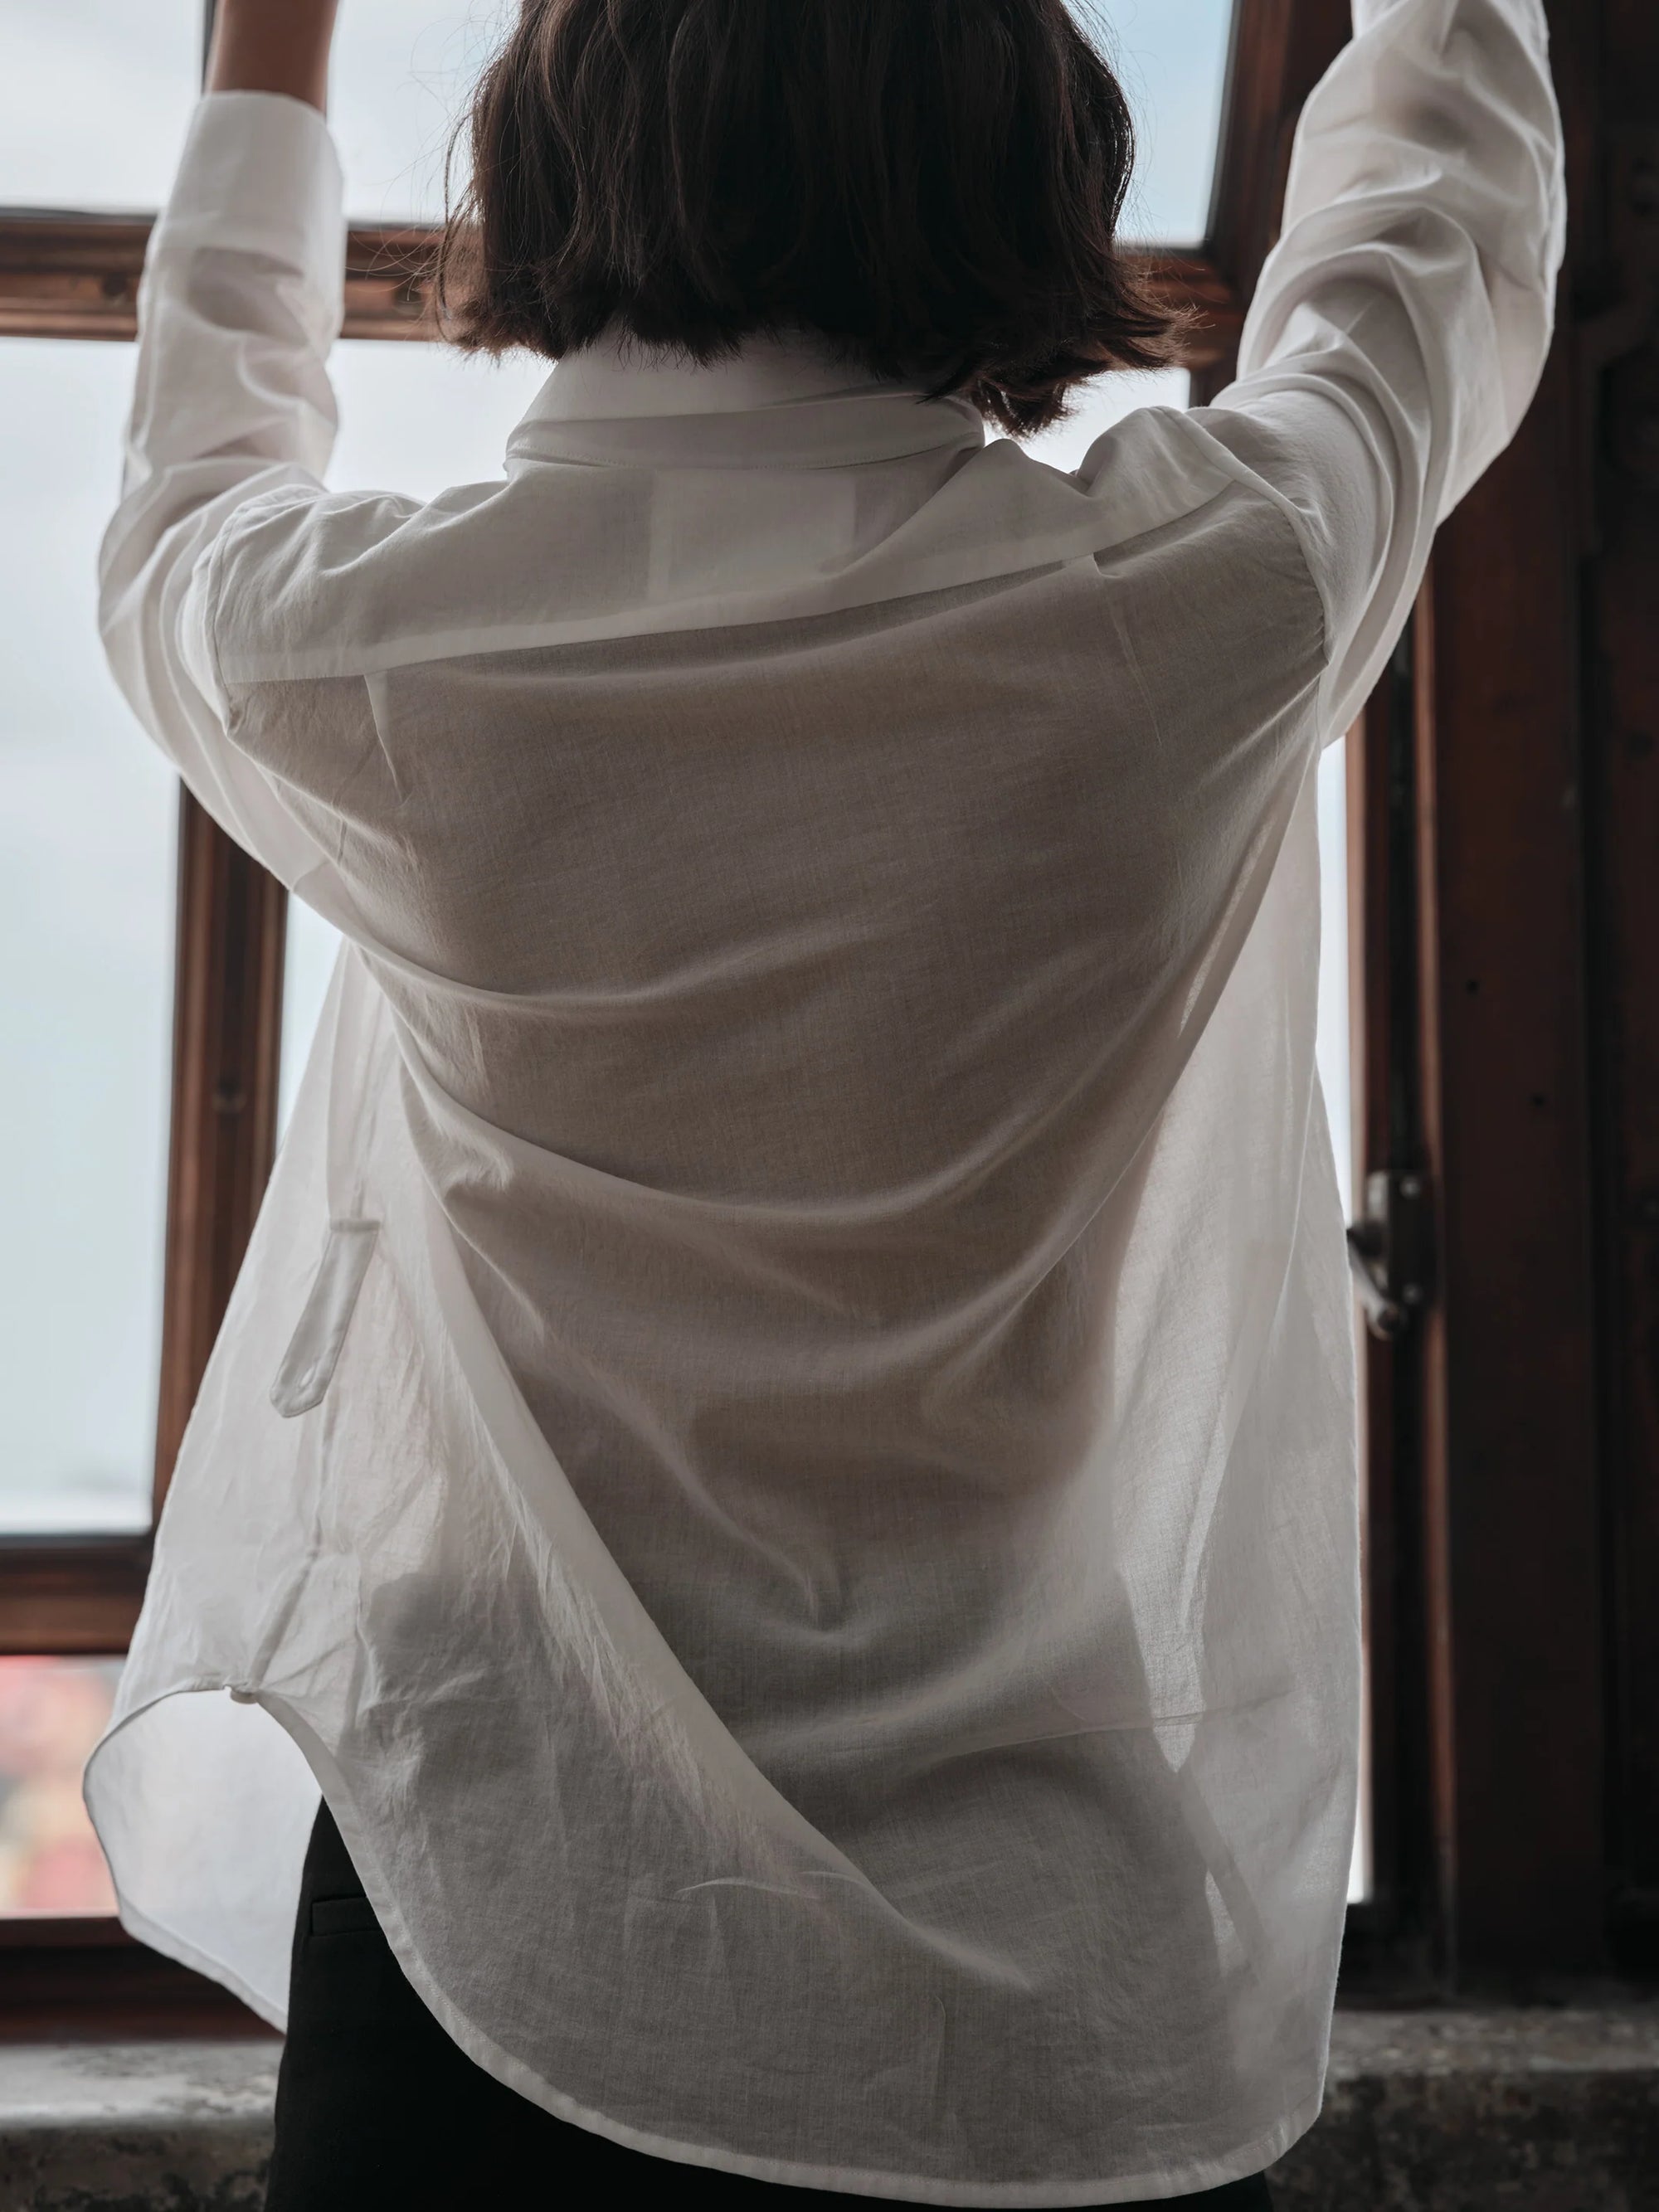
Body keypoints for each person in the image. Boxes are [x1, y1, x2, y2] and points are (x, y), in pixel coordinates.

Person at [84, 0, 1564, 2204]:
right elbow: (1427, 230)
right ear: (1031, 170)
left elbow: (188, 492)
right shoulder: (1192, 595)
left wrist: (269, 64)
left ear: (553, 157)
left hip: (496, 1978)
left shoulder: (373, 652)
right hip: (1046, 2020)